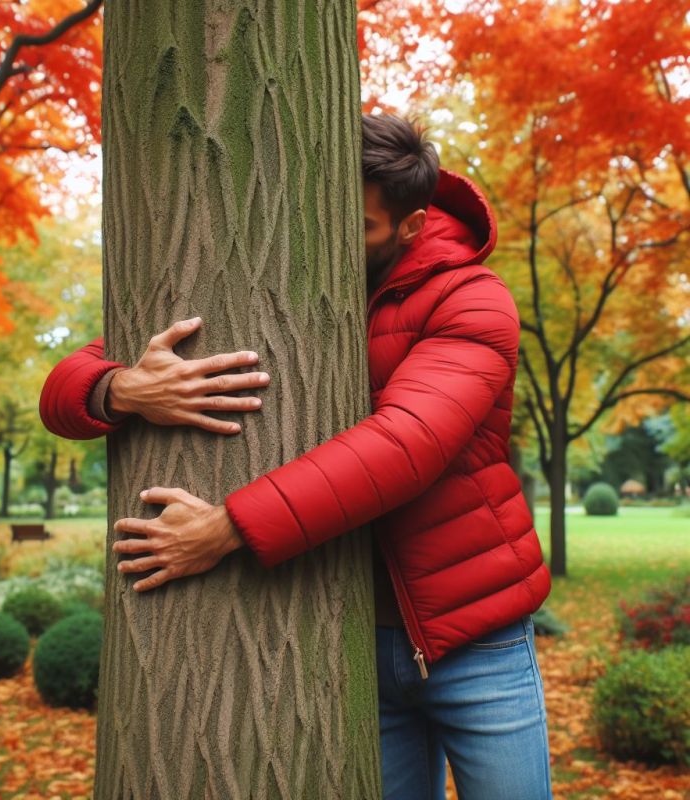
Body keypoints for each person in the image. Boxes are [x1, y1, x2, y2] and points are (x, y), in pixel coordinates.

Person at [40, 114, 553, 800]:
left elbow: (407, 446)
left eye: (362, 225)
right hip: (348, 644)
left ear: (410, 224)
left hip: (474, 638)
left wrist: (225, 527)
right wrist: (122, 387)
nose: (336, 236)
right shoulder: (285, 278)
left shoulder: (473, 300)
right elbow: (66, 386)